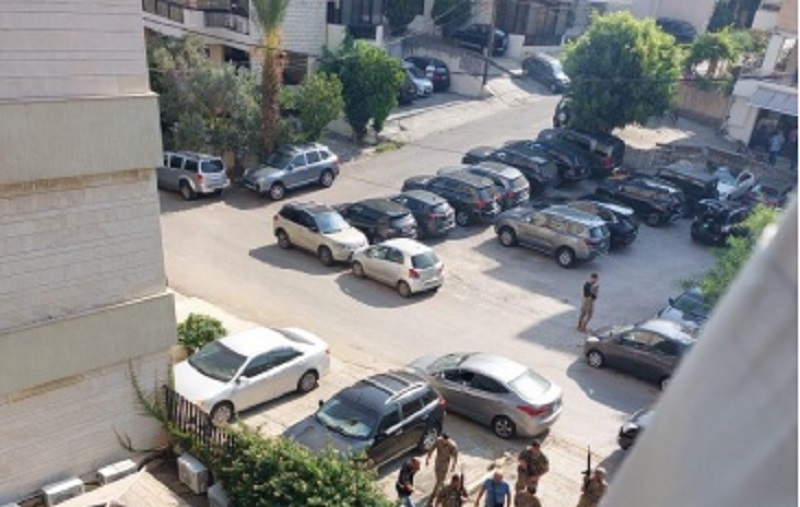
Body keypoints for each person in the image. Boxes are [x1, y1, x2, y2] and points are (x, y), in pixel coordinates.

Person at [427, 433, 460, 503]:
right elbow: (432, 448)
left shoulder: (452, 446)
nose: (444, 441)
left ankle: (433, 495)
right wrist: (428, 457)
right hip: (438, 461)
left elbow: (455, 457)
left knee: (439, 481)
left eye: (446, 440)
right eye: (443, 440)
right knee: (438, 477)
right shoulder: (438, 441)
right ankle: (441, 485)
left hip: (445, 464)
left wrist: (453, 466)